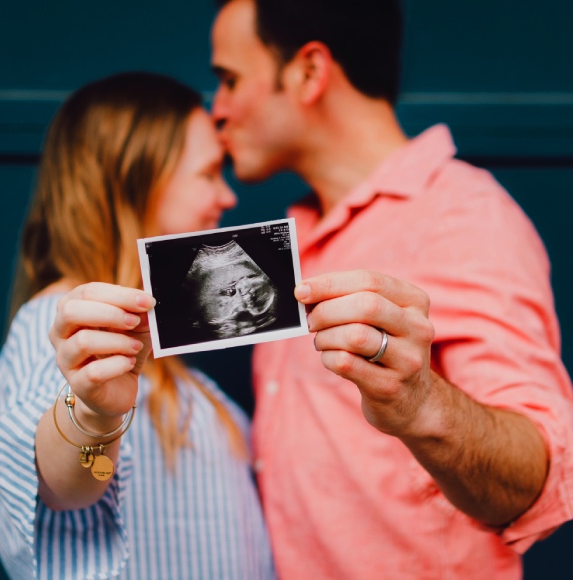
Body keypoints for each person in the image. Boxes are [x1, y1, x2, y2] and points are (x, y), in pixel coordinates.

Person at [209, 0, 573, 578]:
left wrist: (420, 402)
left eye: (229, 79)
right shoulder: (287, 241)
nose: (217, 111)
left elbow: (538, 480)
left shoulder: (464, 217)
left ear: (309, 72)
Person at [0, 71, 276, 580]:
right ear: (132, 182)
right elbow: (60, 484)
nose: (227, 197)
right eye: (207, 173)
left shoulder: (159, 355)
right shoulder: (61, 329)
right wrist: (93, 414)